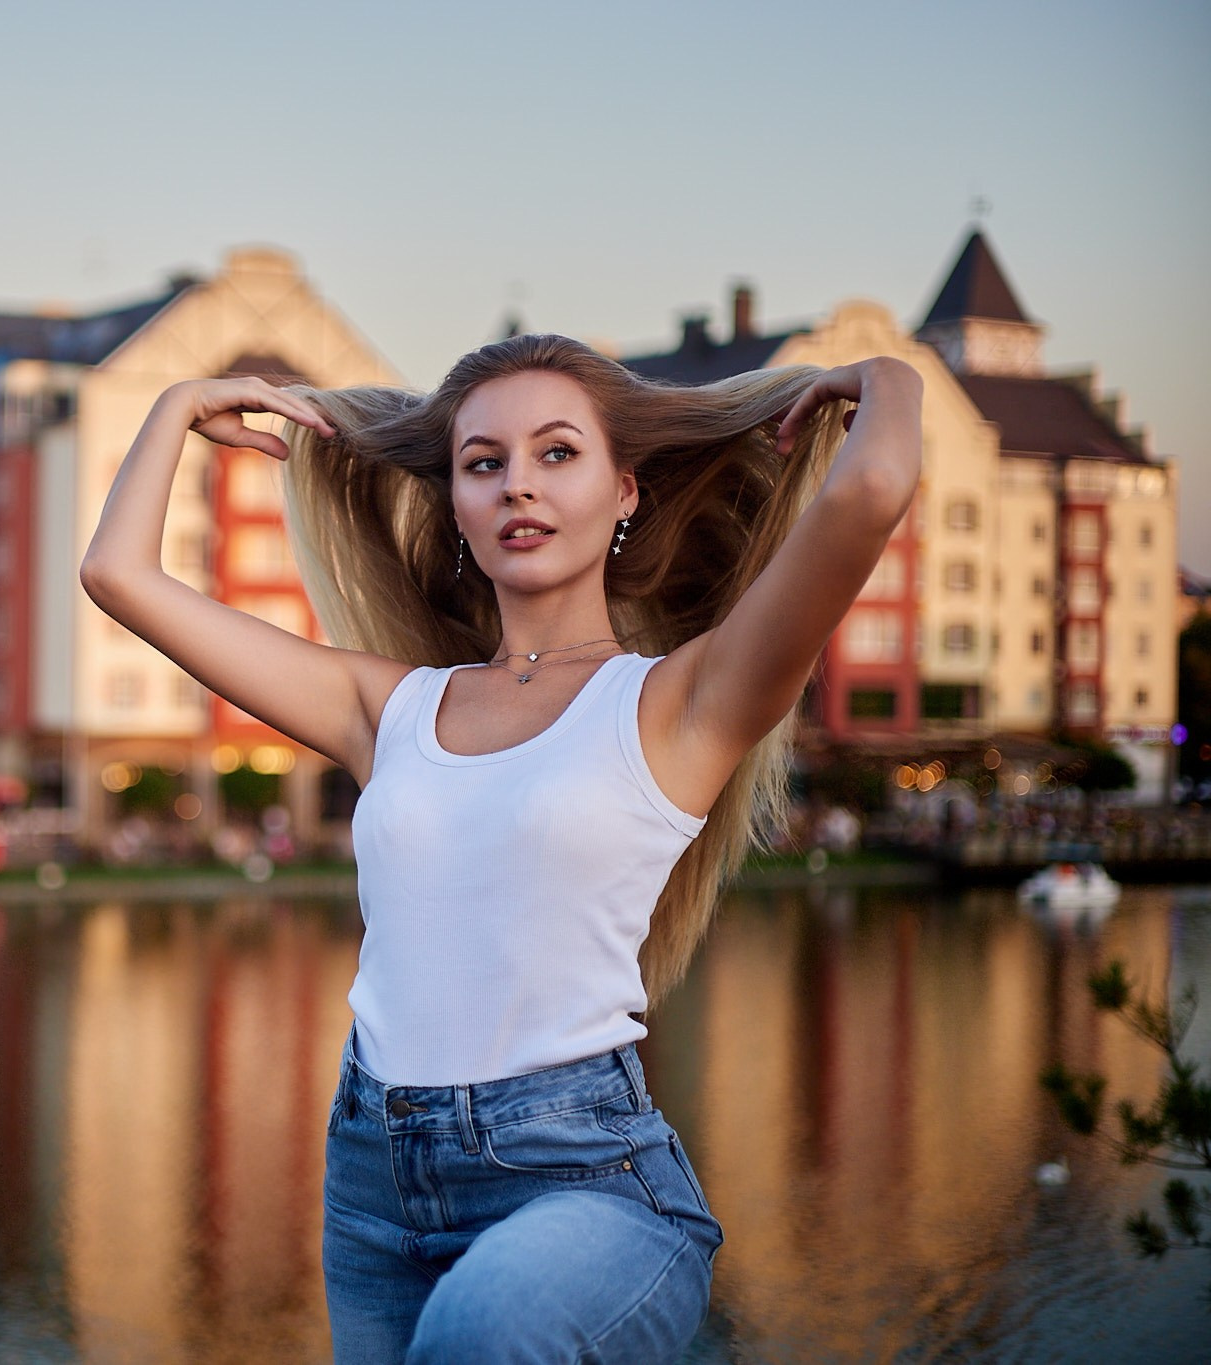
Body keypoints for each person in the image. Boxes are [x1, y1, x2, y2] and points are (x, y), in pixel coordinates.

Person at [80, 333, 922, 1363]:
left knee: (483, 1333)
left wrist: (888, 379)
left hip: (579, 1175)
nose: (517, 484)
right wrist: (173, 405)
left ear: (625, 492)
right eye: (483, 464)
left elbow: (872, 482)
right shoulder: (387, 707)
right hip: (373, 1178)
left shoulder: (680, 702)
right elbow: (116, 574)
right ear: (456, 510)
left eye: (555, 453)